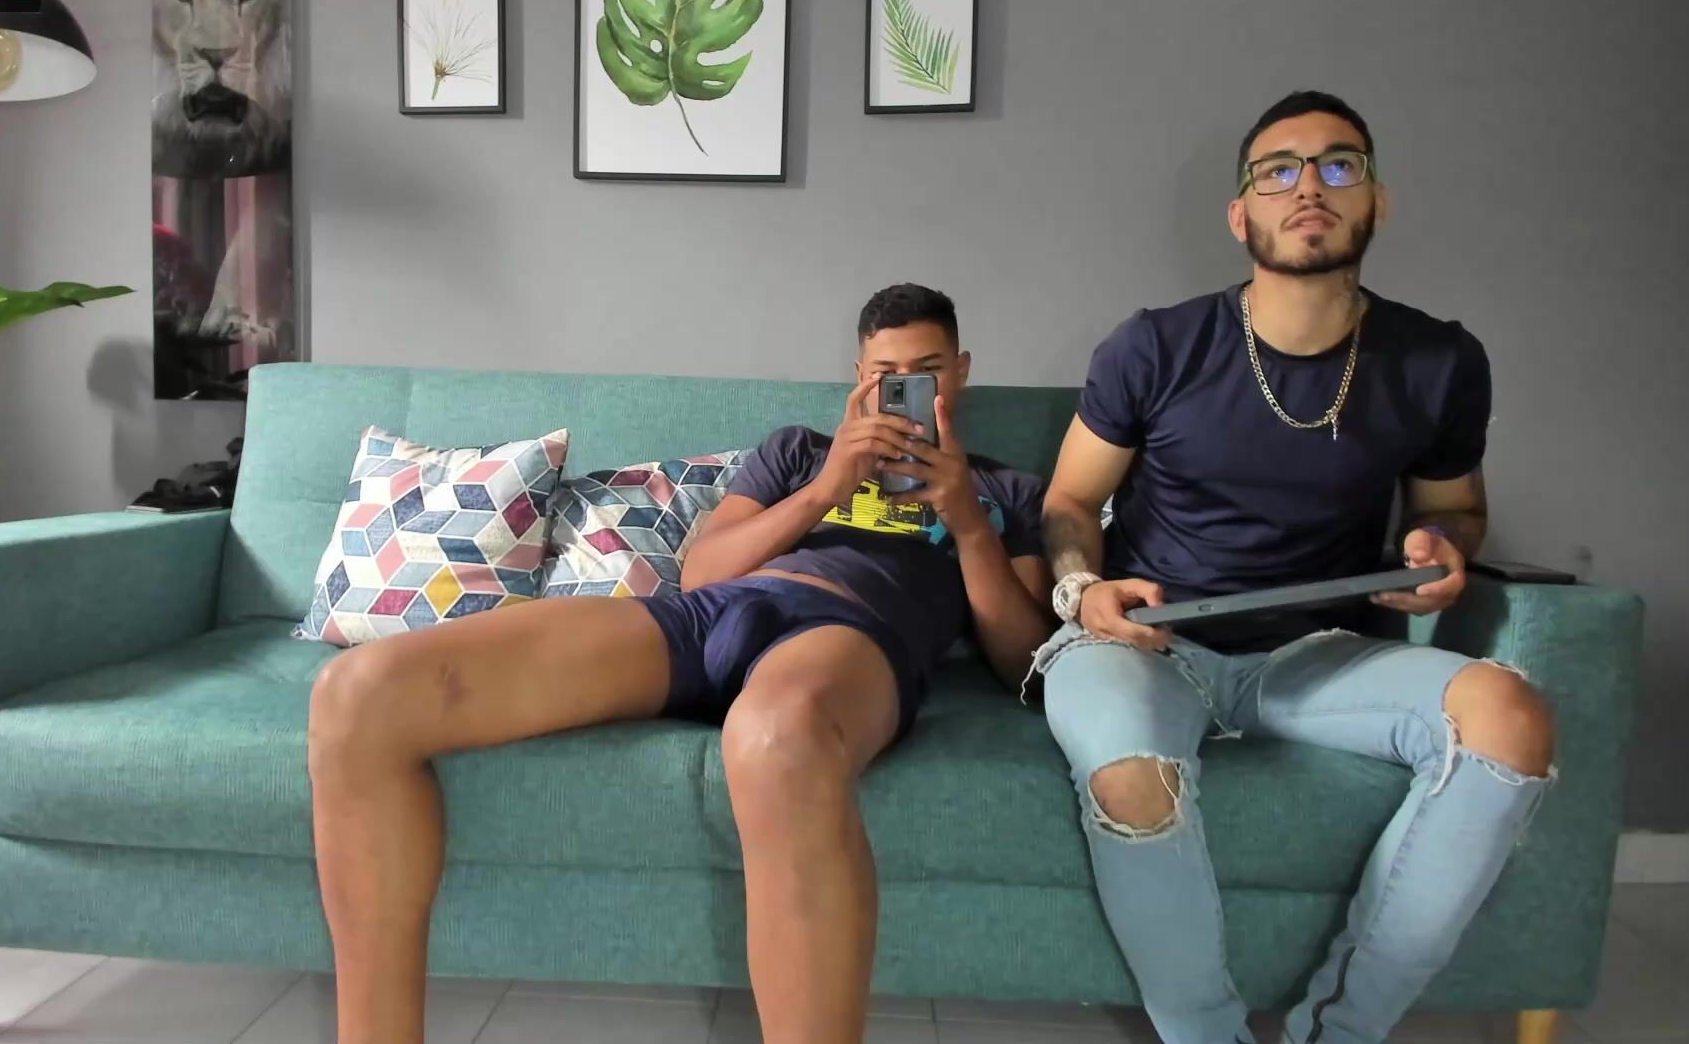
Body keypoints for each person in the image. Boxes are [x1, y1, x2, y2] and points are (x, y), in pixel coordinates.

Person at [308, 282, 1054, 1044]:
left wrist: (966, 521)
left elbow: (1022, 660)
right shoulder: (799, 452)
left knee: (777, 739)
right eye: (885, 376)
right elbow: (703, 572)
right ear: (859, 377)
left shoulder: (1004, 491)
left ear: (962, 371)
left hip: (851, 633)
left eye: (927, 372)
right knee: (359, 694)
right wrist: (828, 488)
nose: (906, 394)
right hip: (715, 613)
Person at [1034, 91, 1555, 1044]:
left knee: (1510, 717)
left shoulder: (1438, 359)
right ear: (1242, 216)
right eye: (1278, 170)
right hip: (1148, 644)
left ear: (1376, 201)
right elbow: (1068, 503)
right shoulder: (1155, 345)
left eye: (1337, 165)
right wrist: (1082, 590)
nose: (1308, 186)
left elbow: (1454, 509)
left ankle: (1338, 1033)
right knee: (1128, 772)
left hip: (1317, 654)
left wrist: (1443, 548)